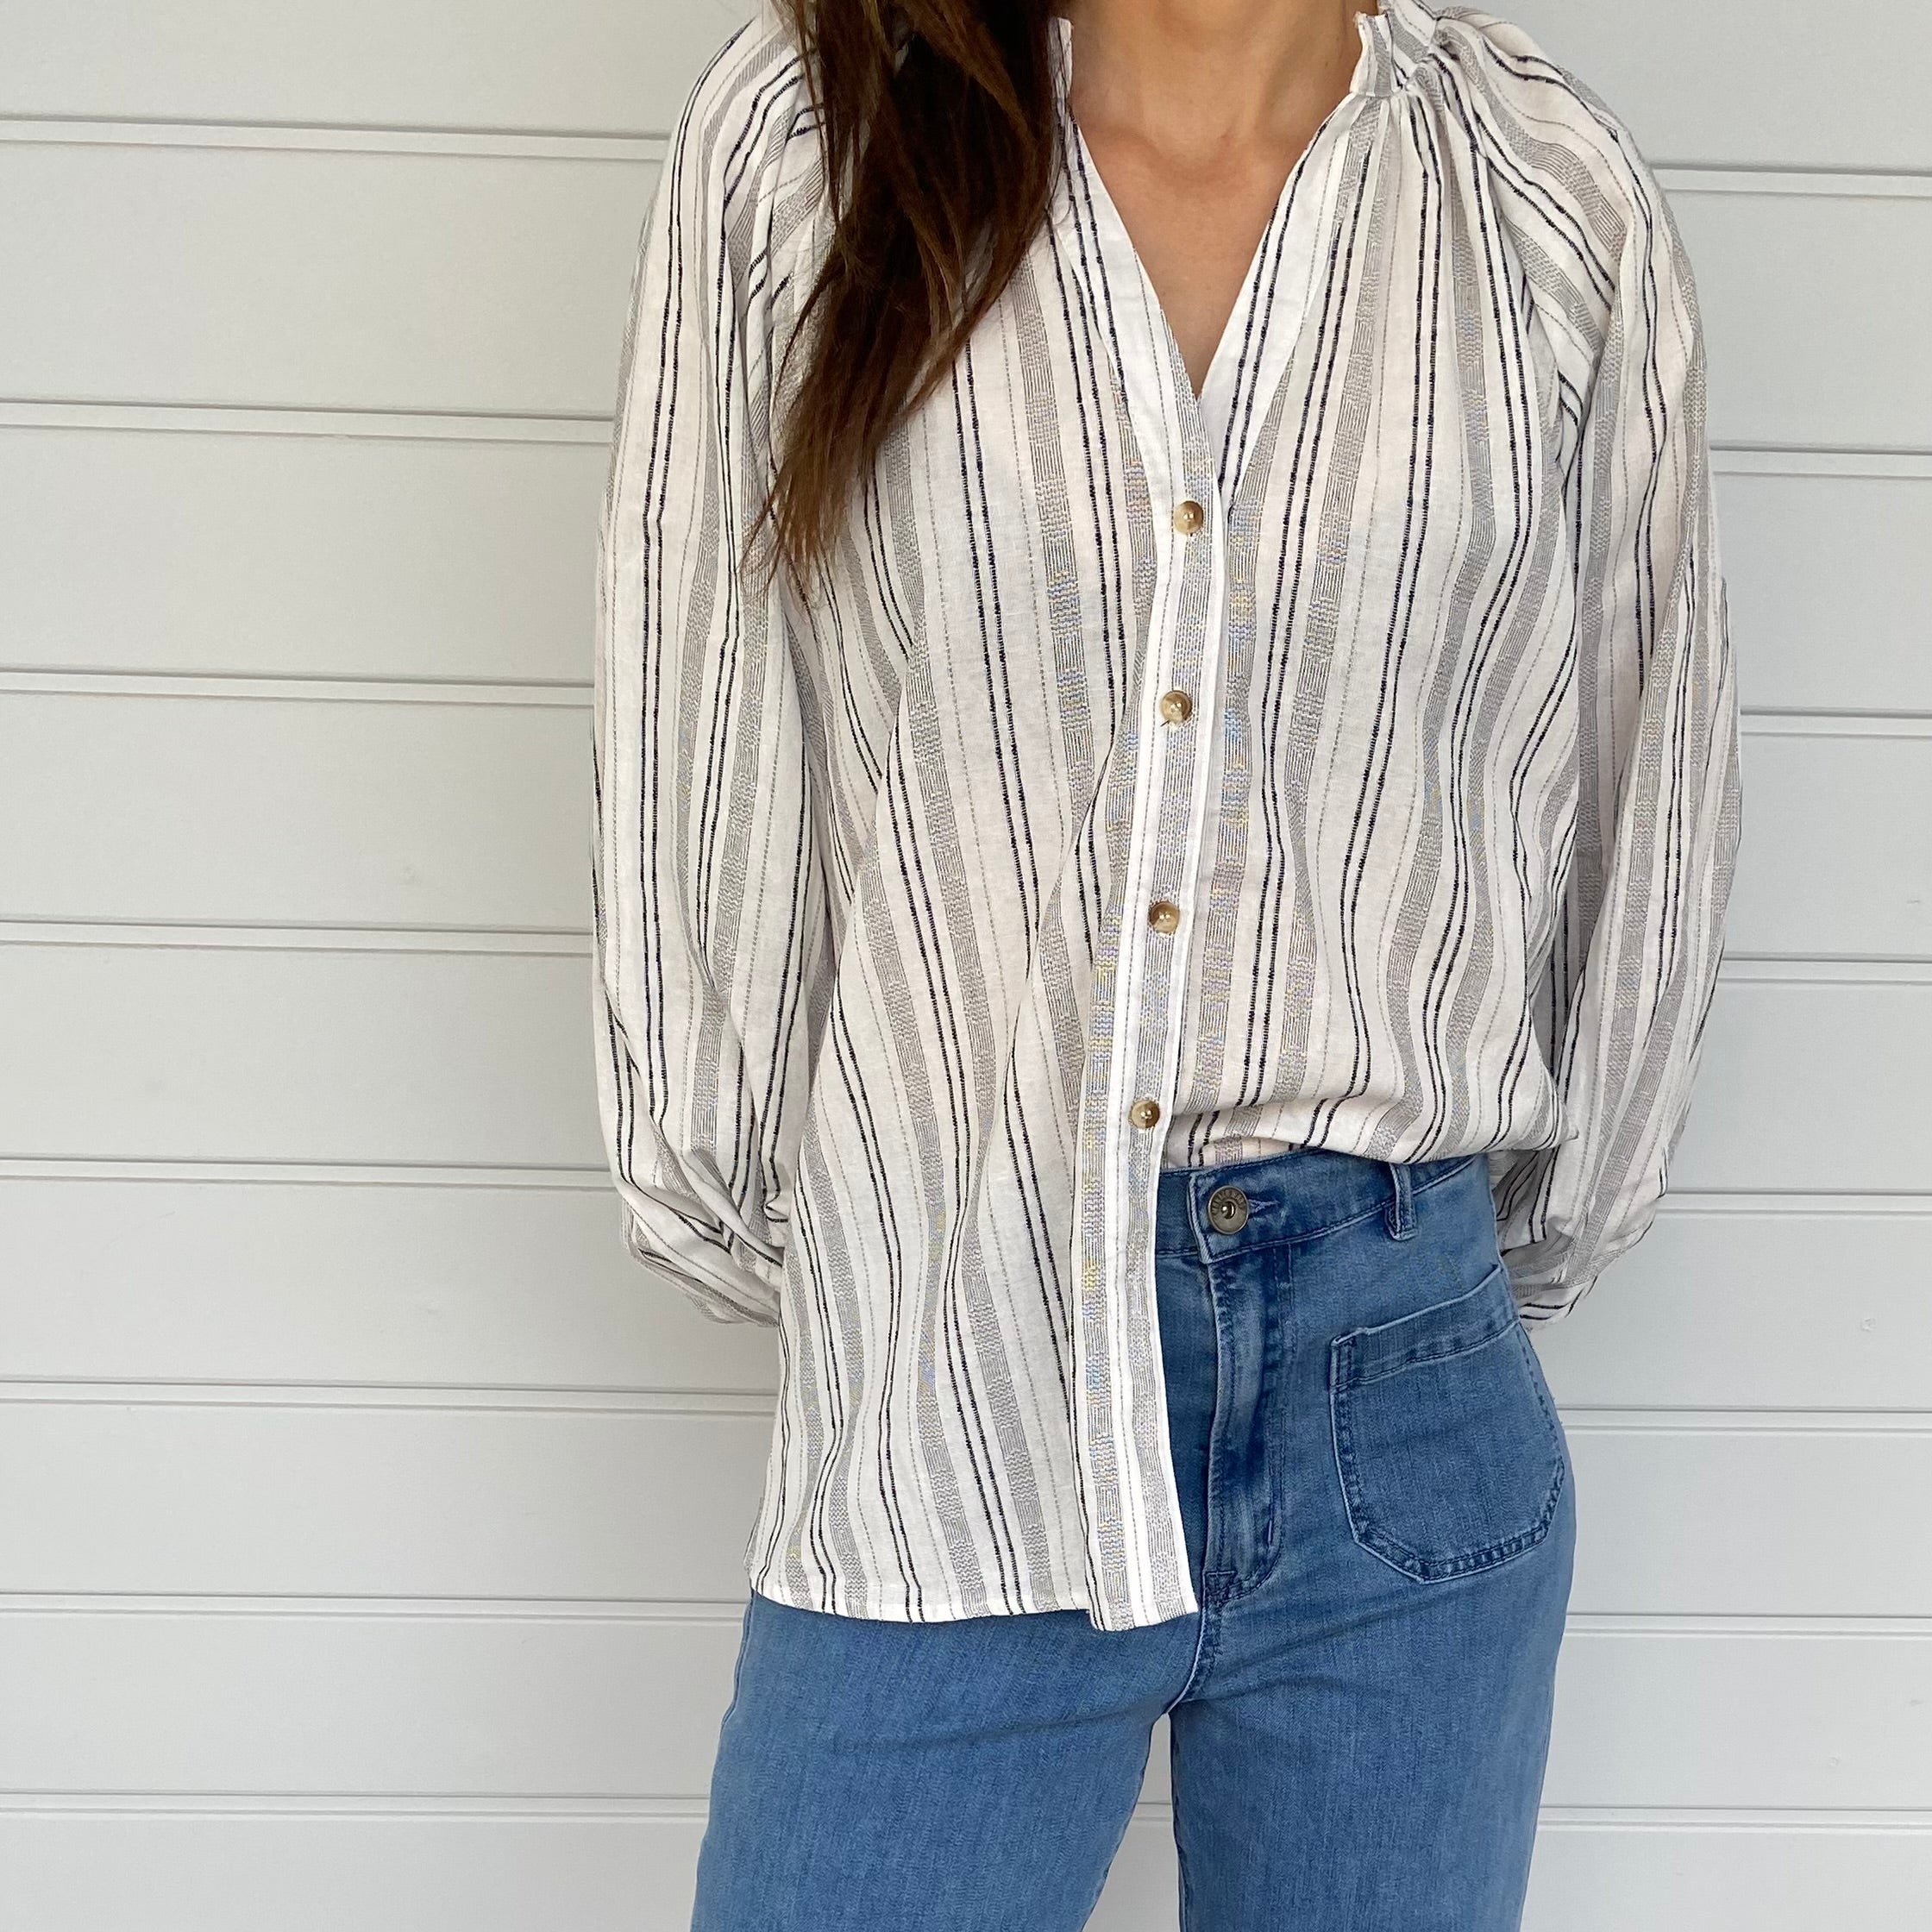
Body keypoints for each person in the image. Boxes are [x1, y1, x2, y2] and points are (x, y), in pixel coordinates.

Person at [589, 0, 1743, 1923]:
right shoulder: (814, 140)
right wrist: (877, 1230)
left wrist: (1483, 1236)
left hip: (1405, 1373)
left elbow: (1641, 786)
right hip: (952, 1363)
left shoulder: (1546, 197)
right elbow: (697, 725)